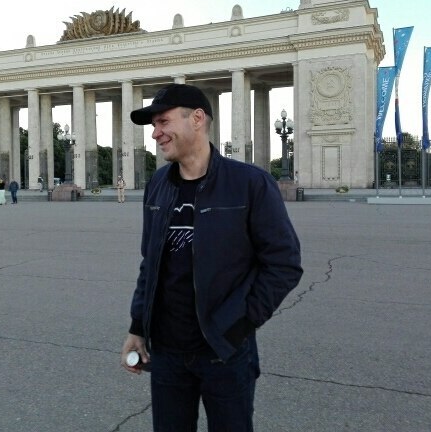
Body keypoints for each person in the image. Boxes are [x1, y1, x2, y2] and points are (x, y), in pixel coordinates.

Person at [121, 84, 303, 432]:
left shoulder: (250, 183)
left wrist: (239, 325)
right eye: (154, 126)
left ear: (197, 119)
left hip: (225, 352)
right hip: (167, 354)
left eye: (163, 122)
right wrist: (137, 327)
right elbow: (150, 263)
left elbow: (284, 265)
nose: (155, 133)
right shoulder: (158, 185)